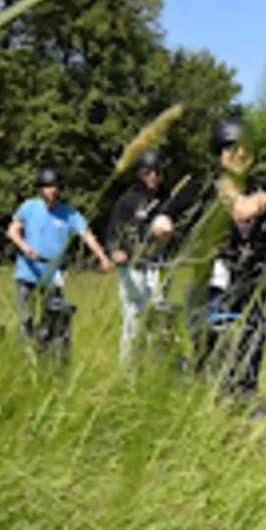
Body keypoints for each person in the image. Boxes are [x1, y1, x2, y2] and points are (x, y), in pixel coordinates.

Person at [173, 119, 266, 407]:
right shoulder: (205, 188)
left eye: (245, 150)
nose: (239, 156)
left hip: (252, 274)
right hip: (213, 274)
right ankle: (208, 387)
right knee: (212, 333)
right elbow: (173, 208)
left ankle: (246, 392)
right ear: (220, 155)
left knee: (253, 331)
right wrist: (163, 222)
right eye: (231, 150)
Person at [5, 166, 113, 344]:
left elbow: (86, 235)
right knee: (26, 319)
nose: (53, 190)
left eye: (55, 186)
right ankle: (25, 356)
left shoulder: (69, 213)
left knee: (53, 319)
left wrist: (103, 257)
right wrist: (25, 248)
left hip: (53, 273)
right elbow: (12, 231)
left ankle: (47, 354)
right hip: (28, 271)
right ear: (41, 189)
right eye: (48, 186)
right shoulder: (29, 207)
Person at [106, 148, 176, 366]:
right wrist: (115, 250)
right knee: (133, 319)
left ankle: (156, 367)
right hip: (133, 265)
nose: (153, 176)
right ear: (140, 173)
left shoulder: (169, 199)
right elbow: (113, 230)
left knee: (159, 319)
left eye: (157, 171)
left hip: (159, 266)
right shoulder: (128, 200)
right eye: (148, 172)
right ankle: (129, 371)